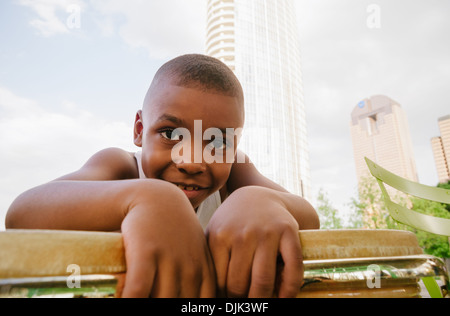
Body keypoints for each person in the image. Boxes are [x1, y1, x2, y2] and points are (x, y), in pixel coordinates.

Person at [5, 54, 319, 298]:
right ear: (140, 130)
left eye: (219, 141)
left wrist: (262, 201)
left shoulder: (237, 172)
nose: (193, 162)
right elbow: (23, 213)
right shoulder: (121, 167)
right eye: (170, 133)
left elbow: (309, 220)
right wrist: (146, 198)